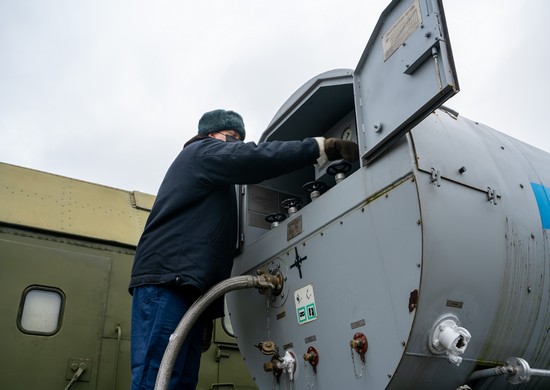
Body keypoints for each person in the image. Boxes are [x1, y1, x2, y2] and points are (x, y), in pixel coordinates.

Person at [129, 109, 359, 389]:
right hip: (166, 282)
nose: (236, 142)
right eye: (232, 136)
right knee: (157, 376)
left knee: (179, 380)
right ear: (211, 134)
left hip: (186, 286)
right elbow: (252, 158)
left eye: (240, 137)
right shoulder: (200, 153)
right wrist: (318, 148)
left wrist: (208, 311)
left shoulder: (212, 175)